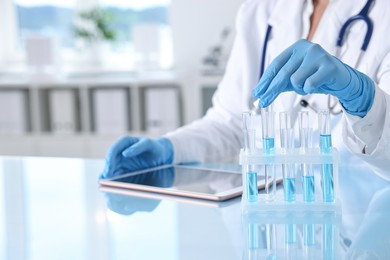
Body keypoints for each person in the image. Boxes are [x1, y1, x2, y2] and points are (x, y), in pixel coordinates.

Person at [100, 0, 390, 180]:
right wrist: (169, 148)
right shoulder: (260, 11)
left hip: (361, 226)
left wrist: (364, 101)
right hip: (276, 223)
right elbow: (230, 124)